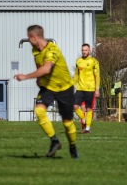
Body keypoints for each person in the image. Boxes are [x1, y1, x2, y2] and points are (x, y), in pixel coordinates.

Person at [14, 25, 79, 159]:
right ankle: (55, 141)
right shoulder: (35, 49)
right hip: (48, 87)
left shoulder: (52, 50)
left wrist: (25, 76)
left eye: (29, 37)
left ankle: (72, 146)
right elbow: (39, 66)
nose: (28, 39)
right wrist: (39, 78)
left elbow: (46, 69)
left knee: (67, 124)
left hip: (64, 88)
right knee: (39, 111)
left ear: (35, 37)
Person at [73, 43, 100, 134]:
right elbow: (76, 75)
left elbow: (97, 76)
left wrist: (97, 89)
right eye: (83, 50)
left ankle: (87, 128)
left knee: (88, 109)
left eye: (86, 50)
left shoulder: (94, 61)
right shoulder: (78, 61)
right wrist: (72, 85)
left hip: (90, 89)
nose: (84, 52)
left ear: (89, 51)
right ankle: (83, 119)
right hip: (80, 88)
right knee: (75, 106)